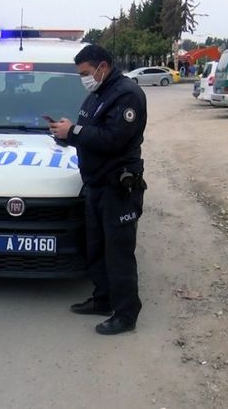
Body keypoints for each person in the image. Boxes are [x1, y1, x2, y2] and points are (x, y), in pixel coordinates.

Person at [49, 44, 147, 335]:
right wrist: (64, 134)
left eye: (86, 73)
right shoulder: (97, 94)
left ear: (102, 66)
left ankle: (126, 314)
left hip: (118, 187)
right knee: (97, 248)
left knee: (118, 253)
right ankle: (103, 299)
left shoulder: (126, 94)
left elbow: (114, 138)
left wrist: (75, 132)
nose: (84, 79)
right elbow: (88, 133)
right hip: (95, 184)